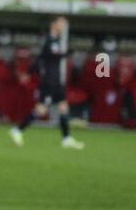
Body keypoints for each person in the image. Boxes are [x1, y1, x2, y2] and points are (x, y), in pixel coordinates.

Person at [9, 16, 85, 150]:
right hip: (49, 81)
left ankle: (66, 138)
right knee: (41, 110)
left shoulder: (55, 41)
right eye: (61, 24)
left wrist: (28, 73)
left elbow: (40, 58)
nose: (63, 27)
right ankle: (18, 130)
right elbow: (51, 56)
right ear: (54, 25)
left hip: (56, 80)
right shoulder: (50, 41)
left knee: (63, 107)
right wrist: (68, 52)